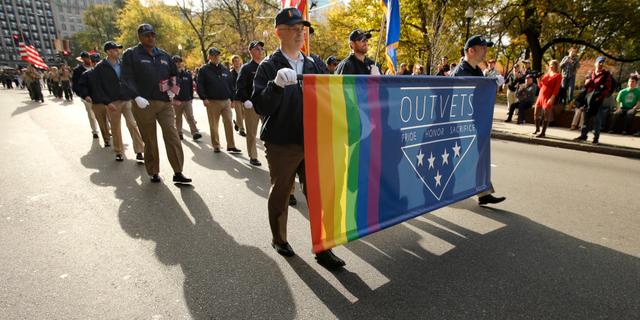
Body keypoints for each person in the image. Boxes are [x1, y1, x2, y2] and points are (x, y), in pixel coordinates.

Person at [251, 7, 346, 269]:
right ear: (278, 32)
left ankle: (324, 247)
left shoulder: (313, 63)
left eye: (301, 28)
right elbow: (261, 105)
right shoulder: (269, 66)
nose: (299, 33)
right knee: (281, 192)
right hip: (283, 141)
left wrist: (369, 85)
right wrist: (275, 86)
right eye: (292, 28)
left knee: (319, 194)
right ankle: (279, 238)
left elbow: (332, 97)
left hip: (314, 139)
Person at [121, 23, 191, 184]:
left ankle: (178, 172)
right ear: (139, 37)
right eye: (146, 35)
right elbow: (126, 78)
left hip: (165, 103)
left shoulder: (164, 55)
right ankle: (153, 171)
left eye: (152, 35)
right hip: (144, 104)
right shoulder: (131, 54)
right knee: (150, 139)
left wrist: (173, 89)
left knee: (172, 135)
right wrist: (136, 96)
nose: (150, 38)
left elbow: (175, 74)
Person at [450, 35, 506, 206]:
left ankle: (484, 192)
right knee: (456, 161)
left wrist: (490, 82)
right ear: (471, 50)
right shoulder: (461, 71)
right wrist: (488, 83)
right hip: (458, 126)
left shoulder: (474, 70)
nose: (485, 51)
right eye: (482, 48)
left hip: (471, 124)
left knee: (478, 156)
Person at [89, 41, 145, 162]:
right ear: (108, 52)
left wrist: (134, 94)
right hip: (112, 102)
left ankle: (139, 150)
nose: (117, 51)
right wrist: (107, 102)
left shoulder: (123, 64)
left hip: (126, 99)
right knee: (115, 127)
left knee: (132, 123)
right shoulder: (100, 67)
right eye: (115, 50)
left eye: (118, 49)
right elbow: (97, 87)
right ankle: (118, 151)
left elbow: (130, 79)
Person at [196, 47, 242, 154]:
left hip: (226, 101)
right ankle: (216, 145)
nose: (216, 57)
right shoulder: (204, 70)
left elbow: (231, 85)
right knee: (214, 125)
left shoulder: (225, 69)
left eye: (217, 55)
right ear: (209, 57)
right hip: (212, 101)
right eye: (213, 55)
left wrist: (232, 99)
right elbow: (200, 85)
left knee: (229, 123)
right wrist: (204, 98)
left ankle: (231, 145)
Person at [236, 40, 265, 166]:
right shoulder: (246, 68)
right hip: (251, 104)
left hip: (266, 103)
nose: (259, 51)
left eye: (261, 49)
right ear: (251, 51)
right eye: (257, 48)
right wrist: (245, 100)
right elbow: (240, 86)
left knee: (270, 131)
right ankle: (253, 156)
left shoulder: (266, 65)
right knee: (252, 132)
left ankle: (272, 155)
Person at [574, 56, 613, 145]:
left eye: (602, 62)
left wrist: (599, 97)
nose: (601, 64)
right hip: (588, 98)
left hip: (598, 100)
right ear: (595, 63)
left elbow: (607, 88)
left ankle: (596, 138)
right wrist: (587, 82)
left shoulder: (606, 74)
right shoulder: (591, 73)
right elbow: (585, 85)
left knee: (597, 119)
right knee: (586, 118)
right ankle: (583, 135)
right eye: (599, 62)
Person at [171, 55, 202, 141]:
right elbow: (168, 88)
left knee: (190, 117)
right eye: (176, 62)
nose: (178, 64)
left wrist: (191, 97)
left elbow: (190, 87)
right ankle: (179, 133)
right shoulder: (171, 75)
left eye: (180, 62)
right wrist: (173, 100)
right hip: (176, 101)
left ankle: (195, 132)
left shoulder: (187, 75)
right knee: (178, 118)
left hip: (187, 100)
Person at [72, 51, 100, 139]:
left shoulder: (99, 67)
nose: (88, 59)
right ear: (82, 59)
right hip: (87, 97)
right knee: (91, 114)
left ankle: (107, 130)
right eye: (85, 58)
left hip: (99, 95)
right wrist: (83, 95)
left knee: (103, 114)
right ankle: (95, 131)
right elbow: (76, 84)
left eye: (88, 57)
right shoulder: (78, 70)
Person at [532, 59, 562, 138]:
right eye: (550, 64)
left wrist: (552, 98)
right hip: (541, 95)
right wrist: (538, 80)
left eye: (553, 65)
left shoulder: (558, 75)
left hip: (549, 96)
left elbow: (557, 88)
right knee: (536, 112)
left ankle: (543, 133)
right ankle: (537, 129)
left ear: (556, 66)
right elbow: (541, 86)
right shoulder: (546, 74)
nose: (551, 66)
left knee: (546, 114)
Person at [230, 55, 246, 137]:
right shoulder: (231, 73)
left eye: (238, 60)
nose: (237, 62)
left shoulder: (244, 70)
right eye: (235, 61)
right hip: (235, 97)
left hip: (244, 96)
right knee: (239, 114)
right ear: (232, 63)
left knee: (244, 114)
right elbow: (230, 86)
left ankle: (237, 123)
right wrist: (231, 100)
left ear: (240, 61)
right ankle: (241, 129)